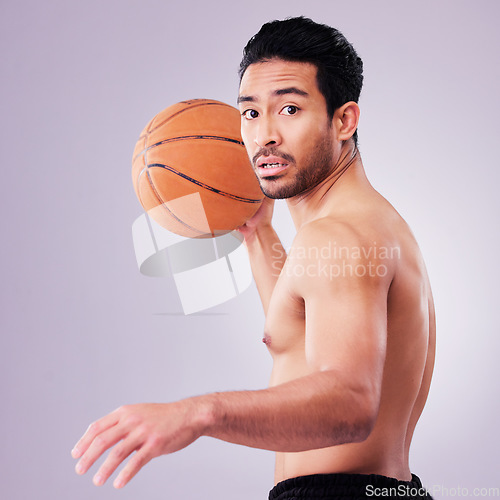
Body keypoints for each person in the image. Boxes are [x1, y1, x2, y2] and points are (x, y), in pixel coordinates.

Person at [72, 17, 435, 499]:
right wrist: (258, 232)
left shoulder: (337, 238)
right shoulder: (365, 225)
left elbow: (350, 403)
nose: (264, 136)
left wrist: (199, 413)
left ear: (344, 120)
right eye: (249, 113)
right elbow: (303, 332)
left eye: (288, 108)